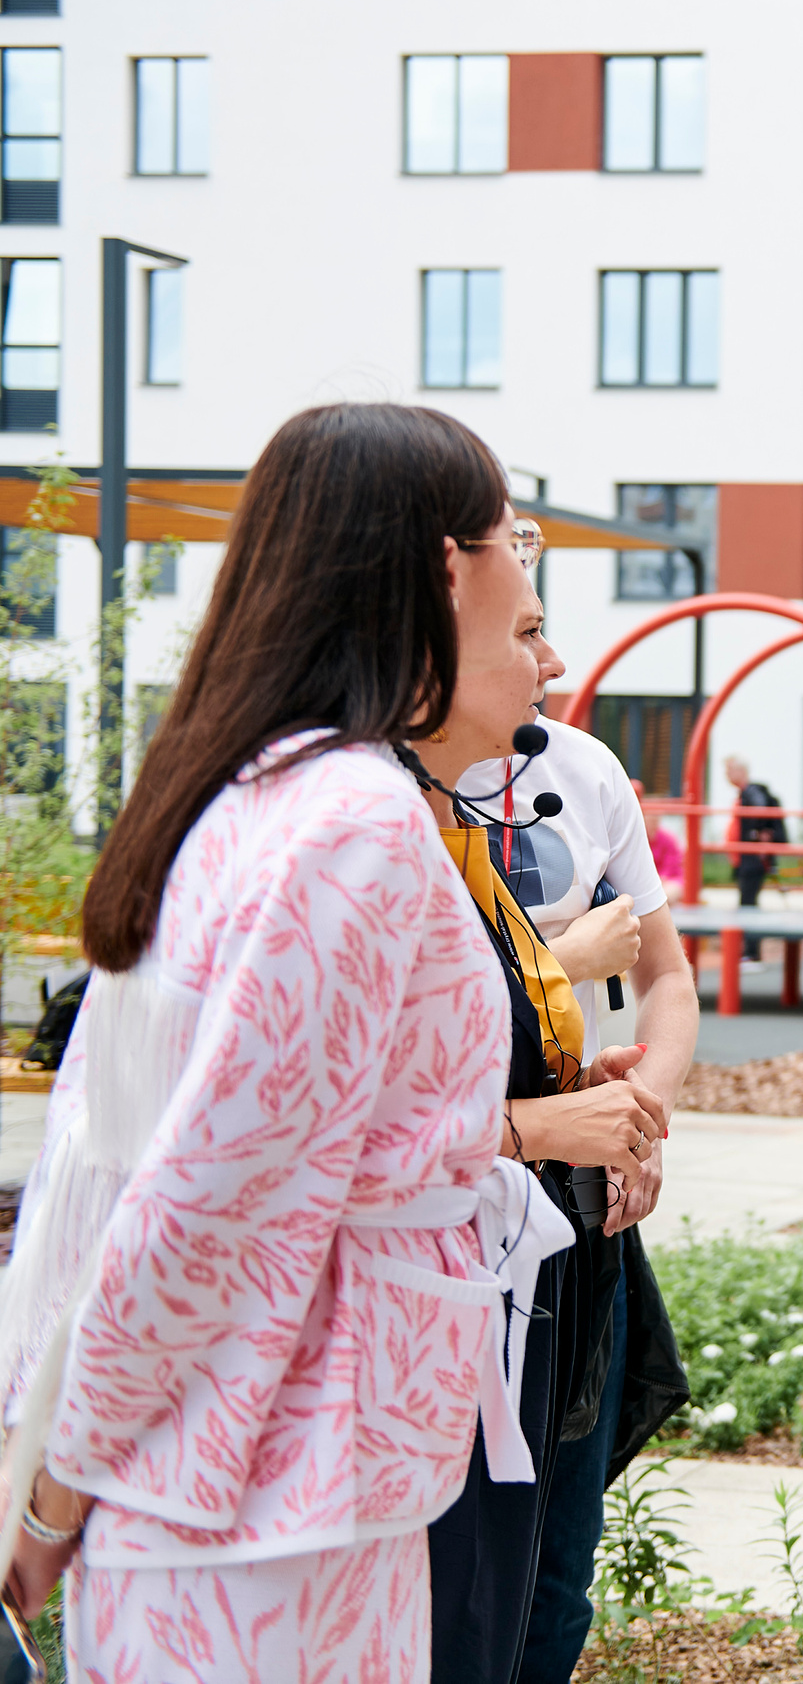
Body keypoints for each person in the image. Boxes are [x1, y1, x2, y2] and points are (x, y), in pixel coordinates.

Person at [0, 403, 554, 1678]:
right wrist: (54, 1486)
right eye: (512, 544)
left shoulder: (249, 787)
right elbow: (208, 1198)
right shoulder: (349, 824)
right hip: (269, 1494)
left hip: (246, 1479)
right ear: (446, 567)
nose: (534, 600)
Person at [407, 571, 675, 1684]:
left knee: (551, 1550)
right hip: (448, 1245)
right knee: (453, 1570)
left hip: (550, 1202)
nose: (554, 658)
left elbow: (664, 980)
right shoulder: (362, 823)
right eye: (526, 629)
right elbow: (357, 1114)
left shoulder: (568, 773)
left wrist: (633, 1117)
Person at [727, 754, 786, 957]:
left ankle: (752, 953)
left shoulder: (751, 793)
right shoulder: (745, 794)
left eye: (729, 770)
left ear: (741, 772)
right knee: (747, 902)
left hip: (751, 859)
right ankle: (750, 952)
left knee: (748, 904)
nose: (726, 775)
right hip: (745, 858)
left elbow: (759, 813)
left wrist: (756, 835)